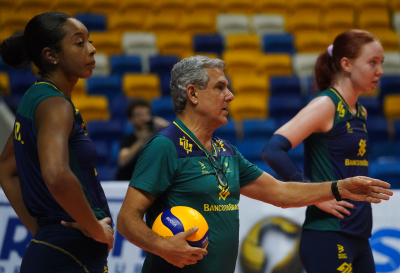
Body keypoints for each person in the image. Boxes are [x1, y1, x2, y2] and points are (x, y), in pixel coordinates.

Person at [116, 55, 392, 273]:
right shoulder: (165, 146)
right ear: (193, 93)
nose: (231, 95)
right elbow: (127, 219)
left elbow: (281, 194)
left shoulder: (227, 151)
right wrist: (163, 246)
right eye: (220, 87)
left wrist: (339, 187)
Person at [262, 29, 384, 273]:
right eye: (372, 62)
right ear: (346, 64)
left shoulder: (361, 112)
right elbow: (273, 150)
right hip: (329, 235)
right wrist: (314, 194)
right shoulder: (326, 105)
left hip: (360, 236)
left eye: (381, 63)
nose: (380, 71)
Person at [0, 12, 114, 272]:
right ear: (51, 55)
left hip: (56, 248)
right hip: (71, 253)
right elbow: (56, 174)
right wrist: (96, 229)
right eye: (79, 43)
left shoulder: (36, 96)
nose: (92, 49)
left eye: (89, 40)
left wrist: (43, 230)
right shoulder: (55, 105)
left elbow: (6, 168)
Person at [116, 98, 169, 181]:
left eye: (146, 114)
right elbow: (122, 161)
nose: (143, 118)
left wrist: (167, 126)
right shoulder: (128, 139)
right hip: (128, 182)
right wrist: (141, 141)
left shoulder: (158, 138)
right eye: (138, 115)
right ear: (131, 120)